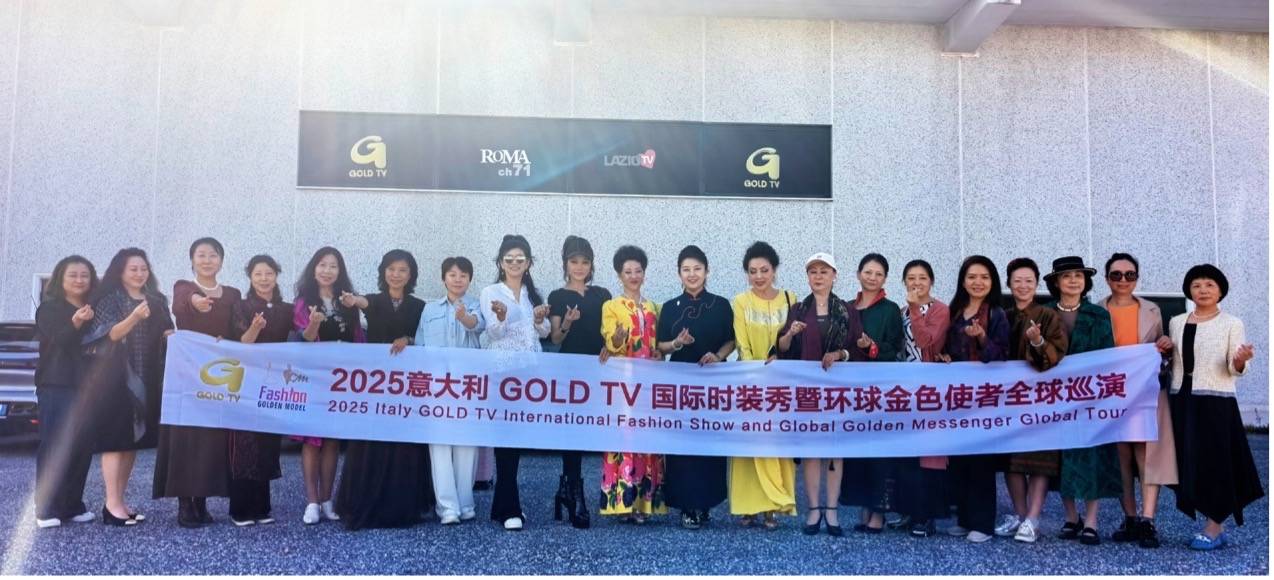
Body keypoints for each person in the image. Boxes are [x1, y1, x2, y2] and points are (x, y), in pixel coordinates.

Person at [334, 250, 432, 530]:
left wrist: (408, 339)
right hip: (377, 384)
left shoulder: (420, 306)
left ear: (410, 275)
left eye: (402, 270)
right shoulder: (374, 300)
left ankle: (400, 506)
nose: (396, 274)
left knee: (403, 442)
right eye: (391, 269)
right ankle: (367, 503)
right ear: (383, 272)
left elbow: (424, 338)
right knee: (372, 441)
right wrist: (352, 300)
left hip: (407, 384)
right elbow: (361, 302)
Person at [1167, 264, 1263, 550]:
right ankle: (1209, 521)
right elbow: (1173, 362)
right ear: (1189, 291)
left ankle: (1214, 526)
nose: (1203, 290)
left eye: (1210, 284)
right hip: (1182, 400)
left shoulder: (1232, 323)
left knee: (1216, 462)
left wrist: (1241, 360)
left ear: (1220, 291)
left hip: (1216, 401)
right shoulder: (1176, 322)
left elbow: (1235, 368)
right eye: (1197, 285)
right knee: (1189, 461)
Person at [775, 252, 866, 537]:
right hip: (808, 393)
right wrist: (790, 333)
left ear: (834, 276)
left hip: (838, 392)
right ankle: (814, 509)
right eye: (813, 271)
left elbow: (858, 349)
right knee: (812, 450)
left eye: (824, 271)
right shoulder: (799, 309)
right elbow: (781, 348)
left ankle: (832, 510)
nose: (818, 276)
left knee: (835, 451)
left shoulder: (847, 310)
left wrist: (840, 354)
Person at [81, 248, 174, 526]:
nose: (139, 273)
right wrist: (134, 317)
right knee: (115, 440)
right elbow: (108, 335)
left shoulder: (157, 300)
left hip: (148, 378)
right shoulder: (109, 299)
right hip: (115, 379)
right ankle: (111, 505)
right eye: (133, 269)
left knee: (133, 441)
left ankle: (120, 501)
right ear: (120, 271)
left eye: (143, 268)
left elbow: (167, 332)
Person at [153, 238, 238, 528]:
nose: (207, 260)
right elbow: (183, 303)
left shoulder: (233, 294)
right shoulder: (183, 287)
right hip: (186, 373)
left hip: (218, 375)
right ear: (192, 260)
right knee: (185, 436)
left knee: (211, 438)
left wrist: (228, 338)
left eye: (213, 255)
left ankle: (201, 500)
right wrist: (196, 302)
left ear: (221, 261)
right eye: (201, 255)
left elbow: (236, 328)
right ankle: (184, 503)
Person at [1099, 252, 1176, 548]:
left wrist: (1166, 347)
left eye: (1129, 274)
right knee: (1120, 456)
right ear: (1107, 279)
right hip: (1111, 392)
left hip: (1144, 392)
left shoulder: (1152, 310)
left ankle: (1148, 519)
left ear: (1137, 278)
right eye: (1116, 275)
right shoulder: (1096, 310)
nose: (1123, 280)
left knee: (1146, 455)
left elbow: (1162, 354)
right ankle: (1130, 517)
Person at [657, 245, 735, 530]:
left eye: (697, 269)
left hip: (712, 385)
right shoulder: (669, 307)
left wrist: (719, 356)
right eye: (686, 269)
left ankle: (705, 504)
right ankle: (687, 506)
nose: (692, 274)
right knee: (682, 448)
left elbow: (731, 340)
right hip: (680, 387)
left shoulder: (721, 304)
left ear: (707, 271)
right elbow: (660, 346)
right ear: (679, 274)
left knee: (709, 445)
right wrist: (677, 343)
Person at [1044, 256, 1120, 546]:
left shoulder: (1098, 315)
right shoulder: (1045, 313)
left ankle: (1091, 520)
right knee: (1060, 457)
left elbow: (1106, 355)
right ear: (1056, 282)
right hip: (1053, 397)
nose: (1073, 280)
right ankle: (1070, 516)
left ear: (1086, 281)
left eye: (1078, 275)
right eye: (1066, 276)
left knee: (1090, 455)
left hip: (1088, 397)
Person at [480, 234, 551, 531]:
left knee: (517, 438)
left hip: (529, 372)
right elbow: (493, 333)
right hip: (502, 371)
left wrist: (539, 318)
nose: (514, 264)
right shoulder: (490, 291)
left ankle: (503, 505)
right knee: (505, 437)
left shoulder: (533, 293)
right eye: (508, 259)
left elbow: (545, 332)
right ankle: (510, 508)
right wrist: (500, 316)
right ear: (500, 263)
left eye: (520, 259)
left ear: (529, 263)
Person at [996, 257, 1069, 544]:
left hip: (1041, 400)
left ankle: (1034, 518)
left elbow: (1056, 356)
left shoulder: (1048, 316)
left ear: (1037, 284)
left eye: (1029, 280)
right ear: (1009, 284)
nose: (1023, 286)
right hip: (1007, 400)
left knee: (1040, 460)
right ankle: (1020, 515)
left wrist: (1038, 341)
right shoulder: (1002, 316)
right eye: (1017, 281)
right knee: (1011, 460)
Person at [728, 241, 798, 530]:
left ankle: (773, 506)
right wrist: (754, 373)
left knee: (776, 445)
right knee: (749, 444)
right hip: (751, 384)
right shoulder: (740, 301)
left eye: (764, 270)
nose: (758, 276)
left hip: (781, 386)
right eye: (752, 271)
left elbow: (796, 342)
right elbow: (741, 343)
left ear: (775, 270)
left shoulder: (791, 299)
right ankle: (748, 508)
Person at [292, 246, 364, 525]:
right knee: (312, 440)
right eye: (322, 265)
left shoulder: (347, 302)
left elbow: (358, 340)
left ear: (340, 271)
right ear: (314, 269)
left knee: (332, 440)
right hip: (314, 379)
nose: (327, 271)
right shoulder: (303, 302)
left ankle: (327, 499)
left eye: (333, 266)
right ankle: (312, 502)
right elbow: (306, 338)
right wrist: (313, 323)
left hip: (341, 380)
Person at [940, 255, 1009, 544]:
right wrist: (944, 358)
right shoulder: (955, 311)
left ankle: (983, 523)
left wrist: (981, 338)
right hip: (957, 398)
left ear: (992, 281)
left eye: (984, 277)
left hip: (984, 400)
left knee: (981, 462)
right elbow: (947, 348)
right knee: (959, 460)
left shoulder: (997, 314)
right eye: (971, 277)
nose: (977, 282)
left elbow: (1002, 356)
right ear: (963, 281)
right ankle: (964, 519)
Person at [598, 245, 666, 524]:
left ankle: (642, 504)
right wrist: (616, 338)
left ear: (644, 274)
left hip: (648, 383)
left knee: (646, 438)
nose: (633, 276)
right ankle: (621, 503)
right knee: (622, 438)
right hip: (622, 383)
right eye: (628, 272)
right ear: (619, 275)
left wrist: (663, 352)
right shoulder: (611, 306)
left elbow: (658, 345)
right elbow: (610, 342)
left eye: (638, 271)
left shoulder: (654, 307)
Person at [547, 236, 610, 529]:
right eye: (574, 262)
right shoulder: (558, 296)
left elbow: (609, 331)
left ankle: (566, 488)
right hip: (570, 370)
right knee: (573, 429)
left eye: (585, 262)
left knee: (588, 430)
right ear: (565, 264)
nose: (580, 267)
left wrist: (612, 343)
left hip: (598, 369)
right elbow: (556, 338)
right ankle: (574, 490)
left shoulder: (602, 294)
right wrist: (568, 322)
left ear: (591, 264)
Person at [417, 256, 486, 525]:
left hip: (468, 385)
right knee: (440, 445)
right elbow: (421, 346)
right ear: (443, 278)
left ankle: (465, 503)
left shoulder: (478, 305)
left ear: (470, 279)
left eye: (463, 275)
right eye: (452, 274)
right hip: (437, 386)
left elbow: (478, 326)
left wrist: (464, 317)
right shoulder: (429, 309)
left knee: (467, 443)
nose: (458, 279)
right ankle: (446, 507)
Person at [840, 253, 903, 534]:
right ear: (858, 274)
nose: (872, 278)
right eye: (868, 272)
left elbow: (896, 348)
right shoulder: (846, 308)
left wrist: (871, 347)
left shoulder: (890, 310)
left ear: (885, 279)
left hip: (879, 392)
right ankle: (864, 509)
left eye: (878, 274)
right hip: (851, 392)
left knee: (879, 453)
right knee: (857, 453)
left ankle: (878, 514)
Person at [33, 256, 98, 528]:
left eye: (85, 275)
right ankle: (46, 508)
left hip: (87, 386)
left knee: (82, 446)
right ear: (60, 278)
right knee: (54, 445)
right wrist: (76, 323)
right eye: (73, 275)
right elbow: (60, 340)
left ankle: (72, 506)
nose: (79, 280)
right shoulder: (49, 309)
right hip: (56, 384)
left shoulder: (94, 309)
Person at [228, 255, 288, 526]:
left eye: (269, 273)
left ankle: (262, 507)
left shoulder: (286, 308)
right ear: (250, 277)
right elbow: (243, 343)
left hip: (274, 382)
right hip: (247, 381)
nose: (264, 279)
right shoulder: (241, 306)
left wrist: (313, 323)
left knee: (267, 442)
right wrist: (254, 327)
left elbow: (305, 339)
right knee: (245, 443)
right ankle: (239, 509)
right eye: (258, 274)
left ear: (276, 276)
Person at [892, 259, 950, 538]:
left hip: (930, 392)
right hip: (905, 392)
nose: (917, 283)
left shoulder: (940, 310)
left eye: (922, 278)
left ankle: (926, 516)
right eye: (911, 278)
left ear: (931, 281)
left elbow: (928, 341)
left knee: (929, 454)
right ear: (904, 281)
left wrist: (915, 309)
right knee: (906, 454)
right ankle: (907, 511)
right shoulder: (901, 311)